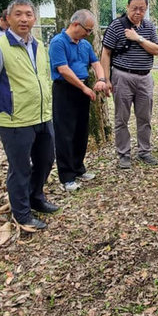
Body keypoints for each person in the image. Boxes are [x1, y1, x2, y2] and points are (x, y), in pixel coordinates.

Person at [0, 0, 58, 230]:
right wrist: (6, 106)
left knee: (45, 160)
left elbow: (43, 76)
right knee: (20, 168)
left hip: (42, 115)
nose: (24, 19)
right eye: (18, 14)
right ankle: (21, 213)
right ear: (8, 18)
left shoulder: (39, 45)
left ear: (34, 18)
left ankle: (36, 197)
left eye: (28, 14)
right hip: (15, 121)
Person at [100, 0, 158, 168]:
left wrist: (138, 38)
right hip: (122, 76)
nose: (138, 12)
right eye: (134, 8)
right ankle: (123, 154)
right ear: (127, 7)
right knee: (122, 117)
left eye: (142, 9)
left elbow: (157, 50)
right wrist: (106, 79)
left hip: (145, 77)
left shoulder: (149, 27)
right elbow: (106, 53)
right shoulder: (116, 26)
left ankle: (144, 151)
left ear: (146, 9)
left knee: (145, 117)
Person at [48, 10, 107, 190]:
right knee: (65, 132)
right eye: (87, 30)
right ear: (75, 24)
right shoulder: (58, 42)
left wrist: (101, 80)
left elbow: (96, 63)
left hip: (84, 88)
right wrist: (83, 88)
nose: (88, 34)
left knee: (81, 130)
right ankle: (67, 176)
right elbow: (63, 70)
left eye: (90, 31)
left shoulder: (84, 44)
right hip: (65, 89)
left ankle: (78, 168)